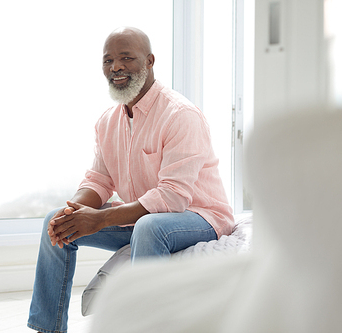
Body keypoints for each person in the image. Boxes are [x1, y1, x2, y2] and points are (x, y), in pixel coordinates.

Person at [27, 26, 234, 333]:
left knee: (151, 227)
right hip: (142, 219)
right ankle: (47, 329)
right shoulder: (107, 122)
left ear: (149, 61)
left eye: (126, 58)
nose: (116, 67)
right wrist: (74, 213)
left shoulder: (180, 115)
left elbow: (173, 198)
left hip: (200, 216)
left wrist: (100, 219)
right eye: (108, 60)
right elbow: (98, 180)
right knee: (54, 221)